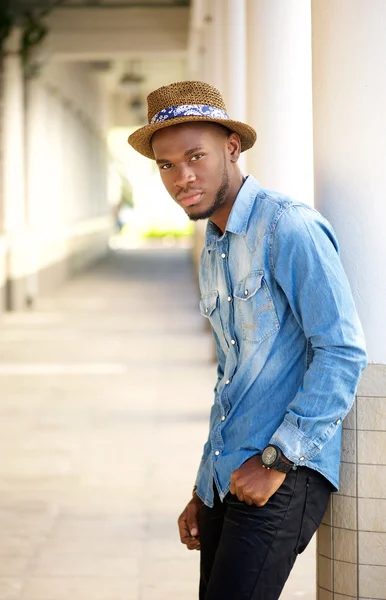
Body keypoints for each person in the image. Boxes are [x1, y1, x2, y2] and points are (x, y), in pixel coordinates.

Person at [128, 81, 367, 600]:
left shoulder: (289, 227)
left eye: (196, 156)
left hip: (282, 470)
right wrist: (202, 484)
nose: (182, 176)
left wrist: (277, 460)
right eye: (167, 164)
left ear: (231, 149)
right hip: (228, 472)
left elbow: (342, 350)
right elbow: (230, 377)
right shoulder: (215, 245)